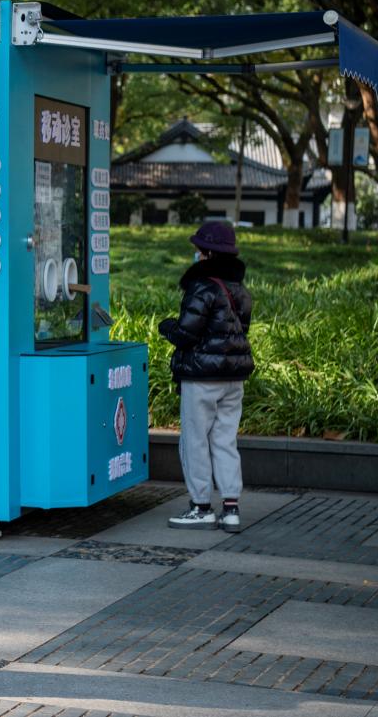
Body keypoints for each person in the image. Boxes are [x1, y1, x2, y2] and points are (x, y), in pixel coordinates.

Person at [157, 221, 254, 533]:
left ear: (209, 252)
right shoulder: (240, 290)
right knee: (225, 440)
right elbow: (239, 332)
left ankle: (201, 507)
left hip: (201, 378)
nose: (195, 254)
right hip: (233, 378)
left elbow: (187, 333)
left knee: (195, 441)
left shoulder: (202, 287)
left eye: (198, 250)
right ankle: (231, 508)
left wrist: (166, 326)